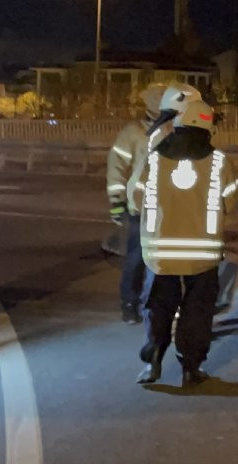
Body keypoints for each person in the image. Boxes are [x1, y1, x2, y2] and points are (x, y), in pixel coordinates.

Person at [132, 101, 238, 385]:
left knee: (158, 306)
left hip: (161, 254)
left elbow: (135, 197)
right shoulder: (219, 161)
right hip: (202, 255)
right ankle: (191, 369)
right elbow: (233, 199)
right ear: (208, 126)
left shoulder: (155, 158)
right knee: (197, 310)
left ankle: (154, 358)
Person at [106, 82, 168, 323]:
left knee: (165, 259)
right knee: (138, 257)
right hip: (140, 208)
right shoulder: (134, 133)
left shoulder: (174, 131)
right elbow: (117, 169)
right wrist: (117, 202)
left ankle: (158, 302)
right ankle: (130, 303)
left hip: (169, 208)